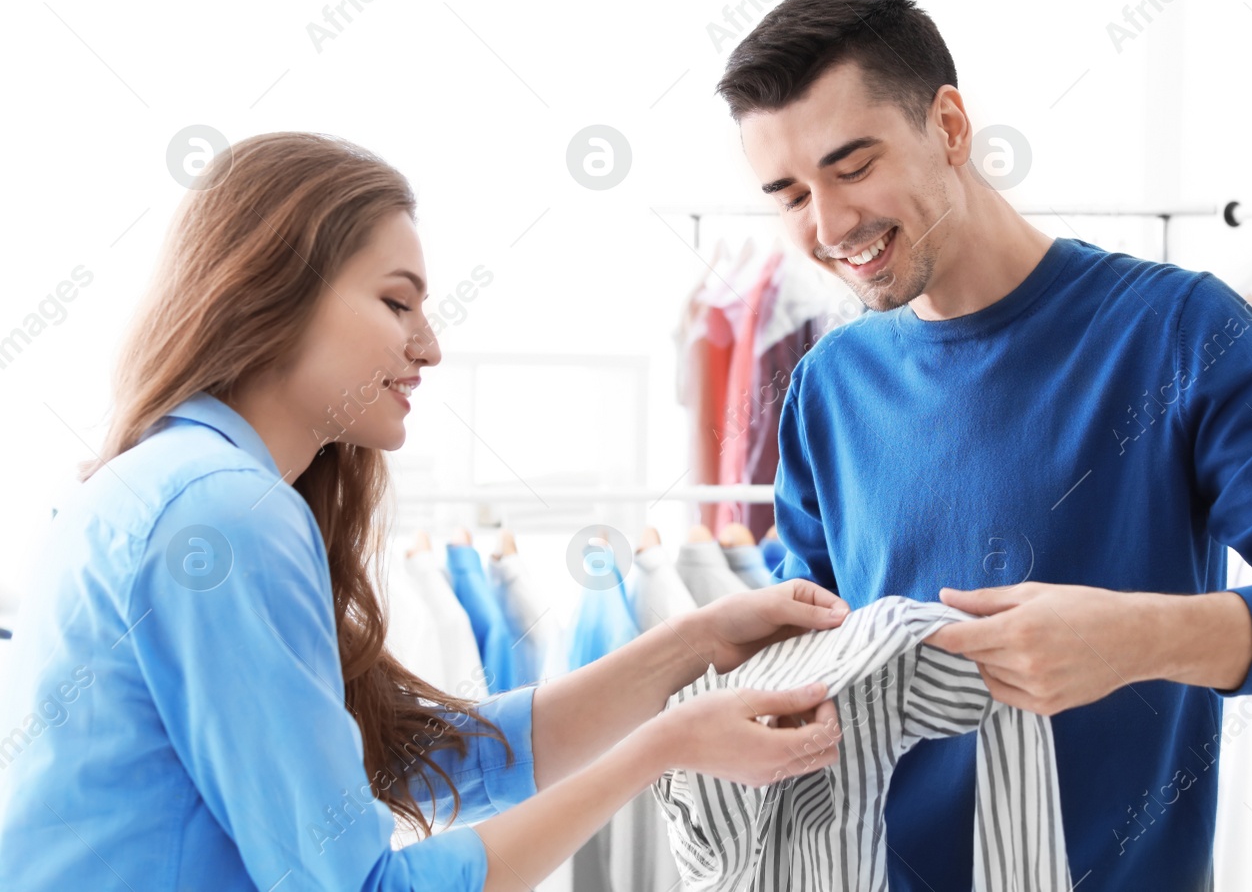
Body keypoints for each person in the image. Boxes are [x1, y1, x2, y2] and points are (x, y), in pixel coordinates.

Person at [0, 132, 846, 891]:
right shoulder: (223, 515)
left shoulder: (166, 484)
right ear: (271, 297)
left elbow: (419, 757)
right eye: (397, 303)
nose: (430, 344)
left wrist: (694, 642)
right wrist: (669, 745)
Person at [717, 0, 1252, 891]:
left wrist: (1140, 637)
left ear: (952, 126)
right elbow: (806, 660)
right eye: (789, 194)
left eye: (852, 167)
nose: (829, 224)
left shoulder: (1179, 332)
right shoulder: (826, 386)